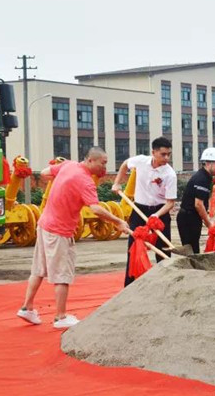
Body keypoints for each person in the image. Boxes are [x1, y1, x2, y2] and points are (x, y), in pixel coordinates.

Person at [16, 148, 131, 329]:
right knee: (62, 274)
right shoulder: (85, 181)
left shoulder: (68, 165)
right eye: (103, 163)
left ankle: (27, 307)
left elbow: (46, 173)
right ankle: (60, 317)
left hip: (44, 224)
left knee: (38, 269)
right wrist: (118, 221)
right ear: (91, 161)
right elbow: (96, 208)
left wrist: (62, 182)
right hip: (59, 231)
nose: (105, 167)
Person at [112, 137, 178, 287]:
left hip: (160, 212)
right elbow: (124, 164)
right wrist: (117, 183)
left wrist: (156, 215)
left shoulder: (170, 174)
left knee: (163, 250)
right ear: (153, 152)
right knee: (134, 247)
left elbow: (170, 203)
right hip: (139, 209)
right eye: (163, 154)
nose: (166, 158)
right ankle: (130, 285)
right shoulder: (141, 161)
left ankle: (165, 285)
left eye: (169, 154)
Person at [177, 147, 215, 254]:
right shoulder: (202, 178)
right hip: (188, 218)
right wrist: (209, 224)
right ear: (208, 163)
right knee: (192, 251)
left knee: (193, 249)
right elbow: (198, 204)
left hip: (191, 217)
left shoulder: (205, 177)